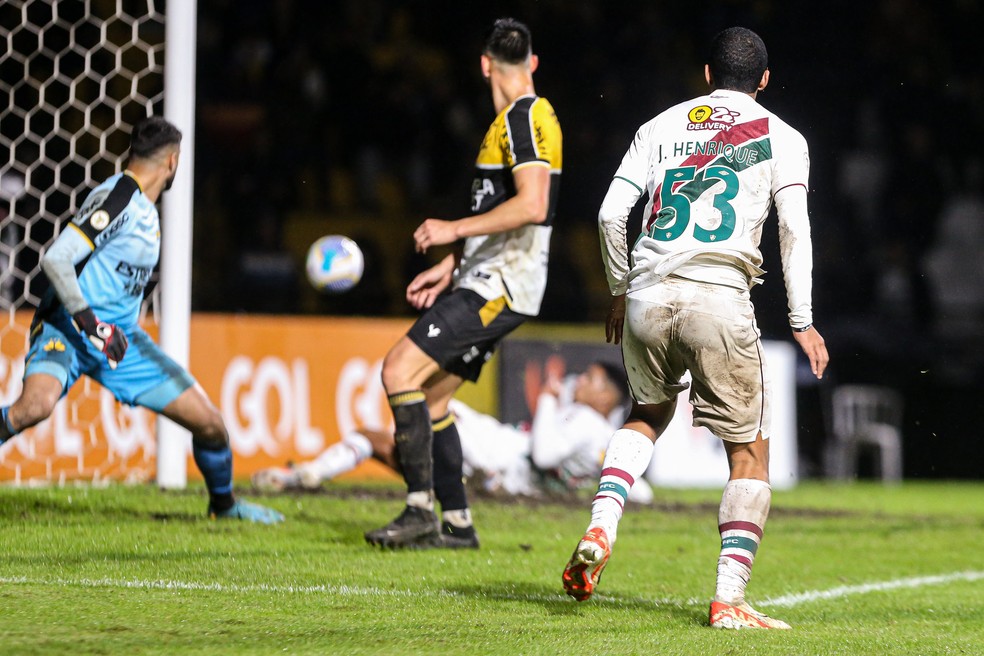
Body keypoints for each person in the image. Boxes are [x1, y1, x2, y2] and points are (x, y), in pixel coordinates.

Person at [560, 27, 829, 630]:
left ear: (707, 74)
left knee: (646, 413)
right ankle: (728, 599)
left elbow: (610, 213)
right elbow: (794, 232)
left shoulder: (659, 126)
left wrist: (619, 286)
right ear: (763, 80)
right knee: (750, 454)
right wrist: (803, 322)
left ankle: (602, 524)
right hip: (719, 294)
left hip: (649, 290)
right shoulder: (783, 138)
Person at [0, 117, 283, 524]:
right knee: (34, 407)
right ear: (172, 162)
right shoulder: (119, 197)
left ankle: (225, 507)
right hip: (69, 328)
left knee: (210, 425)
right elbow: (56, 259)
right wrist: (91, 324)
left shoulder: (144, 211)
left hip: (120, 343)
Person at [362, 17, 562, 549]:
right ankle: (457, 524)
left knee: (398, 369)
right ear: (532, 63)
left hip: (501, 285)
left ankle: (417, 509)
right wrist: (453, 265)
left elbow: (533, 204)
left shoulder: (524, 117)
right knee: (430, 400)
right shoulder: (516, 121)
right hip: (489, 277)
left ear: (484, 65)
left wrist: (451, 229)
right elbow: (507, 213)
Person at [252, 362, 653, 525]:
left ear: (608, 399)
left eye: (592, 380)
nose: (580, 381)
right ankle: (307, 474)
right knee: (385, 439)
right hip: (493, 457)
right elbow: (640, 488)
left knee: (422, 407)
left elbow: (544, 452)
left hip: (494, 455)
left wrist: (547, 398)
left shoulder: (584, 420)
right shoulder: (607, 439)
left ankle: (309, 473)